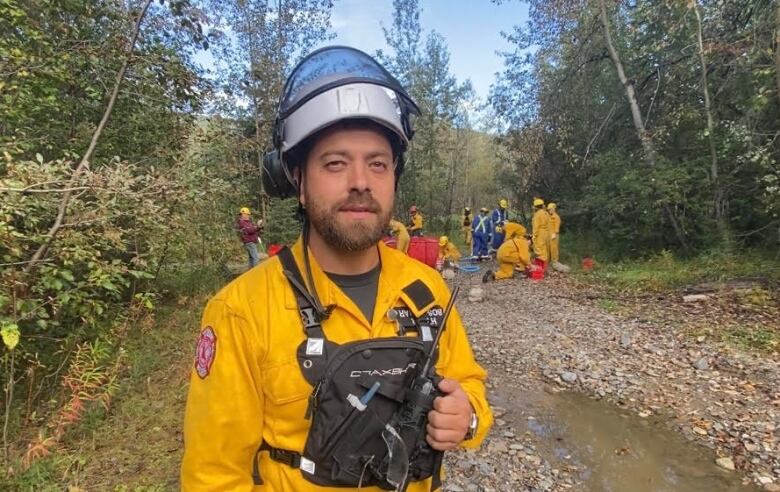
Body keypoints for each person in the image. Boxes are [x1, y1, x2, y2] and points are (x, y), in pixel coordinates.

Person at [181, 46, 491, 491]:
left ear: (393, 180)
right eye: (335, 163)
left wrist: (468, 416)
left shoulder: (427, 289)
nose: (361, 181)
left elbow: (470, 384)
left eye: (378, 164)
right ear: (298, 182)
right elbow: (213, 478)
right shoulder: (241, 312)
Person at [532, 198, 550, 270]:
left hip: (539, 233)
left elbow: (536, 226)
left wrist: (534, 235)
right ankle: (545, 267)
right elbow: (549, 224)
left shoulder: (537, 214)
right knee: (544, 250)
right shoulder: (546, 213)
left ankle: (540, 268)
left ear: (535, 206)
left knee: (539, 250)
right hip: (546, 233)